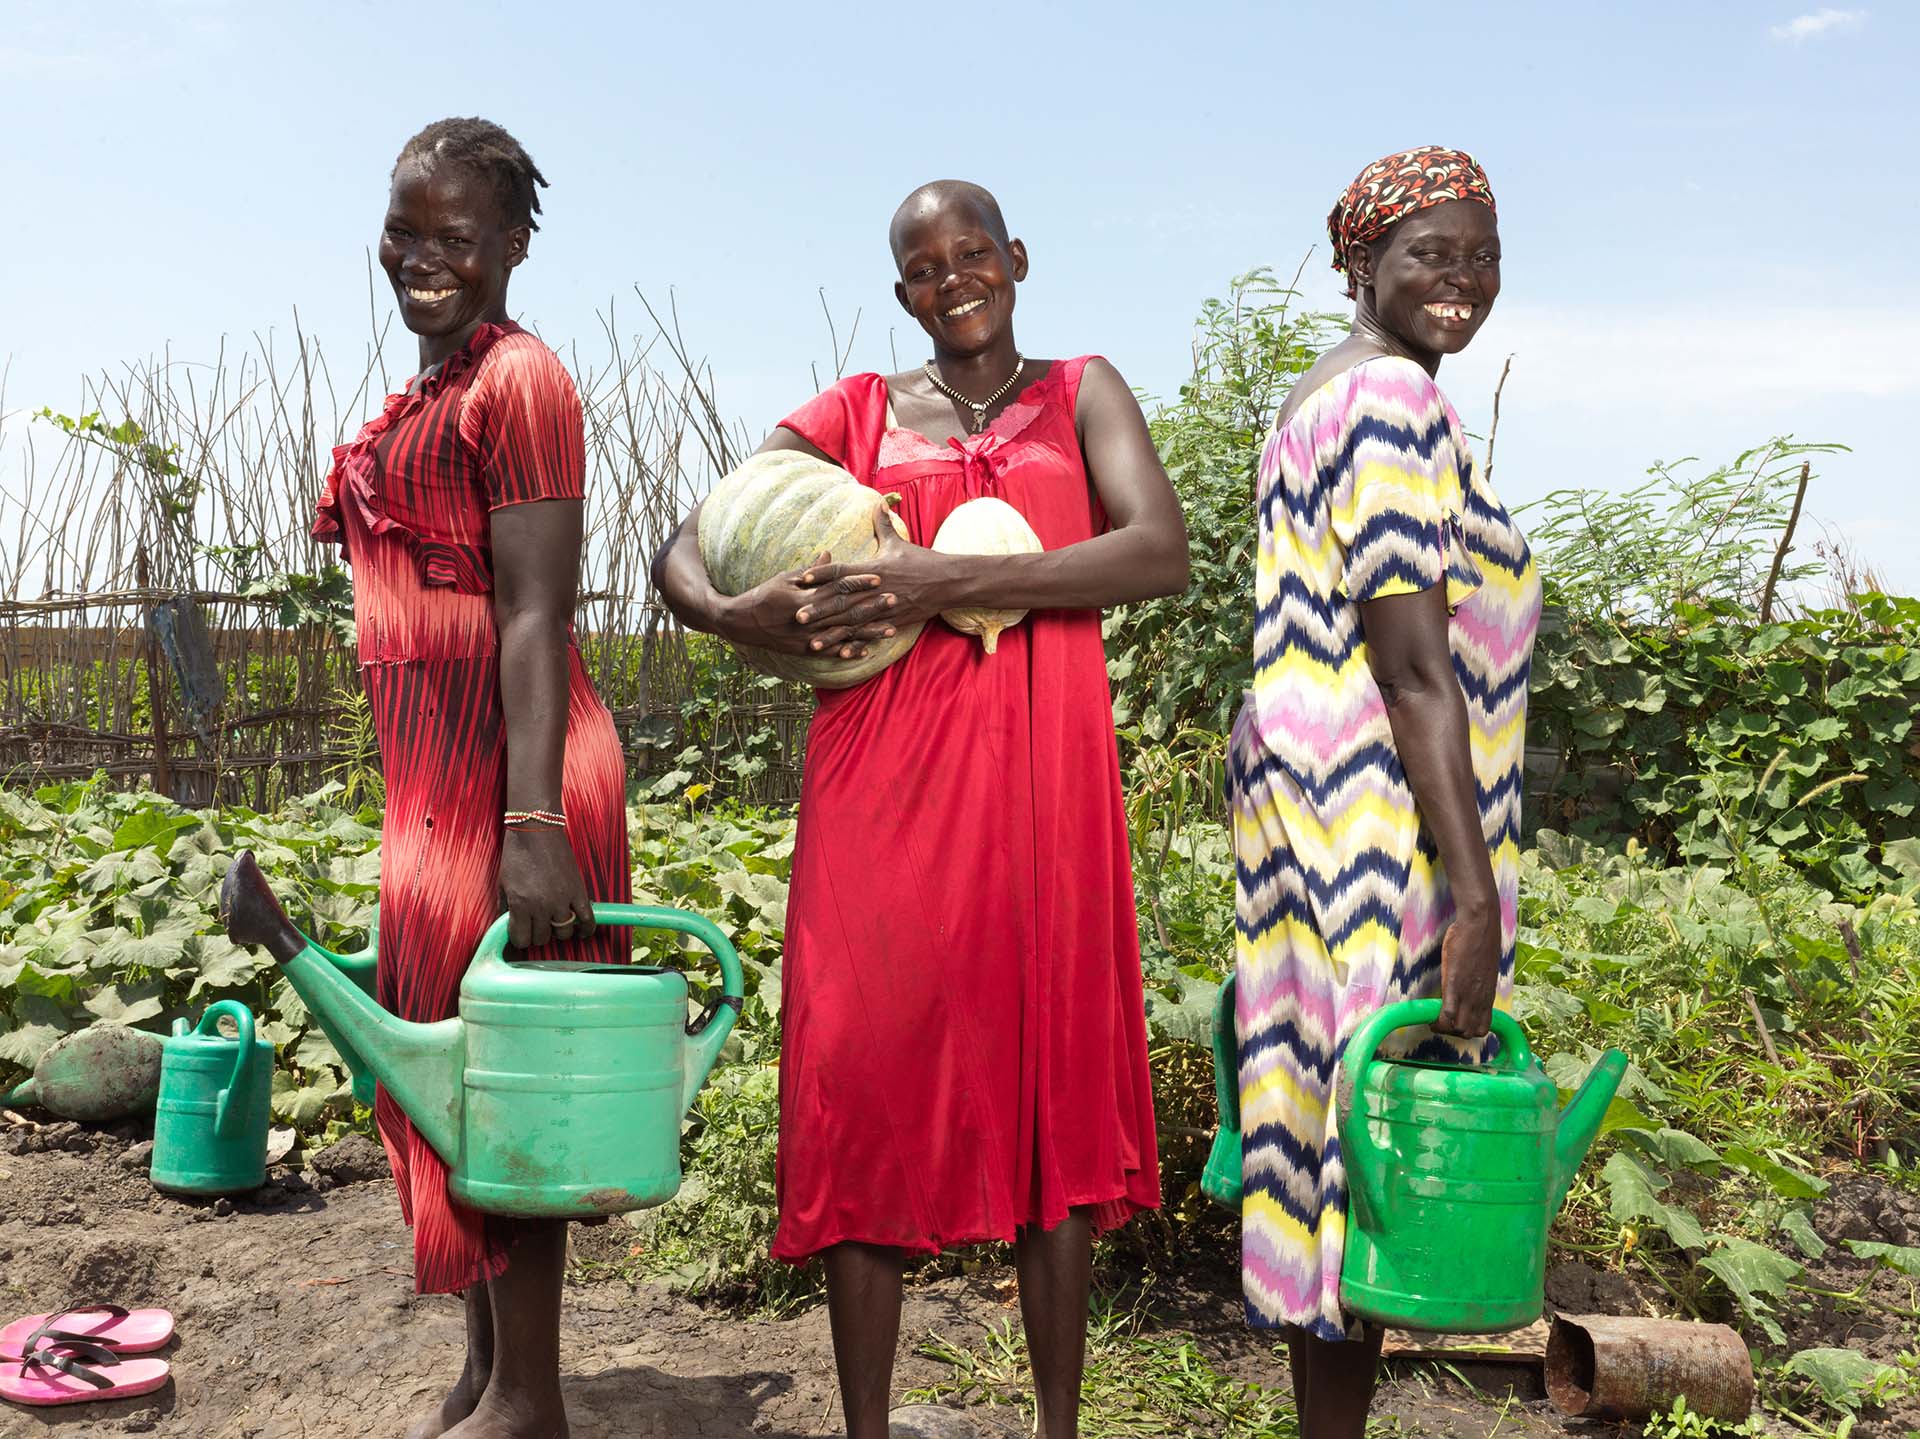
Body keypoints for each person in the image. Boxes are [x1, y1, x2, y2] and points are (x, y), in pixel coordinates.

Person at [651, 180, 1187, 1439]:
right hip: (882, 792)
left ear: (1016, 258)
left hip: (1045, 794)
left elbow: (1157, 549)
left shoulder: (1085, 391)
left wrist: (952, 571)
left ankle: (1057, 1424)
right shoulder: (855, 416)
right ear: (902, 291)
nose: (954, 278)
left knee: (1051, 1088)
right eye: (924, 266)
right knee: (870, 1081)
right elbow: (685, 543)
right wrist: (734, 613)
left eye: (973, 253)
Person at [311, 117, 631, 1439]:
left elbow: (533, 616)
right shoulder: (434, 390)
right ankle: (487, 1364)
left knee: (515, 1081)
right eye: (406, 230)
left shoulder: (523, 384)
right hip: (433, 787)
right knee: (443, 1075)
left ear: (510, 244)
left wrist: (538, 814)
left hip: (517, 776)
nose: (424, 256)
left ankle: (532, 1394)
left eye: (457, 235)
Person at [1228, 146, 1540, 1438]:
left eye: (1482, 256)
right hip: (1379, 817)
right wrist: (1472, 893)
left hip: (1312, 804)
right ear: (1361, 263)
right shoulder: (1396, 400)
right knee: (1375, 1132)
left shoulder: (1326, 391)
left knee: (1328, 1143)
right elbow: (1415, 666)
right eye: (1430, 253)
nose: (1461, 281)